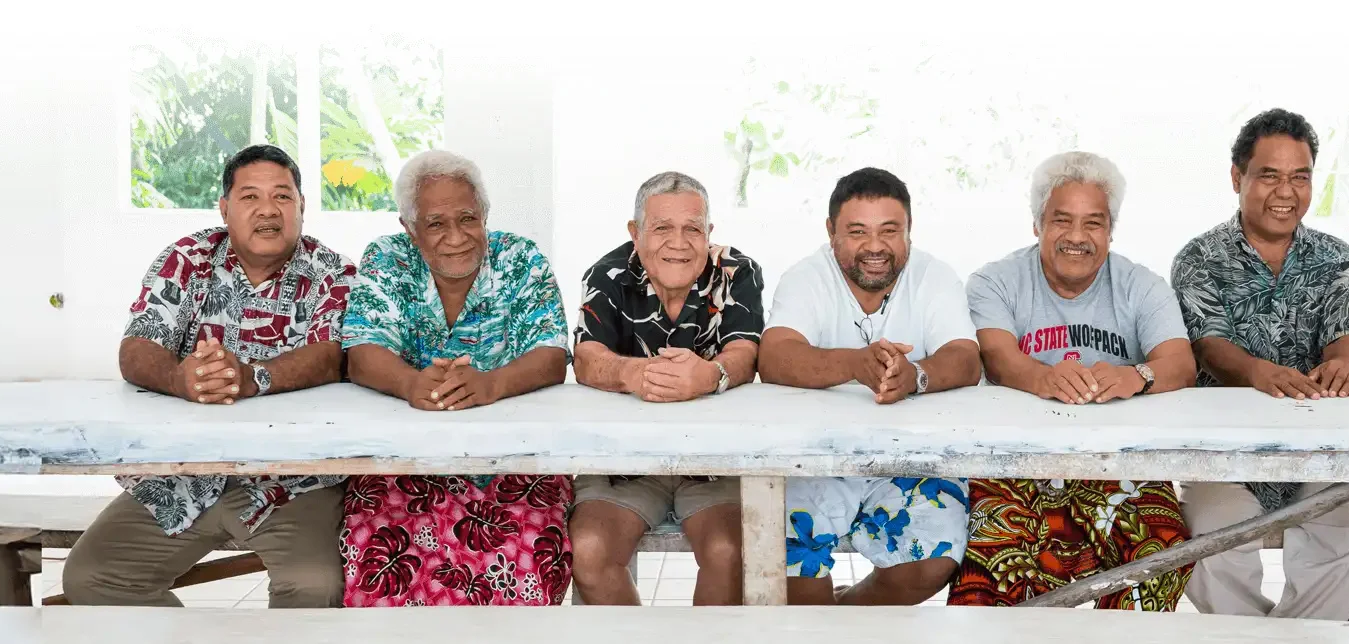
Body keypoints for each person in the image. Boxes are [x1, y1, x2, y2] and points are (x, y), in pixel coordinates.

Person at [64, 144, 356, 608]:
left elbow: (330, 356)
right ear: (224, 208)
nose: (267, 210)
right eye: (249, 197)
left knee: (314, 587)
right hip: (185, 471)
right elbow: (137, 348)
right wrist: (180, 378)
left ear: (302, 207)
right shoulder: (187, 259)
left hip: (290, 480)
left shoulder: (332, 273)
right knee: (93, 577)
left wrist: (252, 377)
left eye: (282, 196)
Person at [1172, 108, 1349, 620]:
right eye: (1269, 175)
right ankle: (1267, 634)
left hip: (1323, 453)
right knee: (1202, 544)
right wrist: (1257, 373)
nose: (1285, 192)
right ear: (1237, 177)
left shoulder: (1340, 260)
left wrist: (1342, 364)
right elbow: (1209, 346)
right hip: (1225, 458)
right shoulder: (1199, 258)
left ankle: (1287, 636)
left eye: (1300, 177)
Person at [951, 151, 1194, 608]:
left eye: (1094, 223)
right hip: (1014, 463)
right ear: (1037, 224)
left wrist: (1135, 376)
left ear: (1111, 230)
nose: (1077, 237)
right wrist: (1044, 378)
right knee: (994, 564)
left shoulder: (1142, 285)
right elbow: (998, 358)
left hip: (1121, 464)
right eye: (1062, 220)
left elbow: (1180, 363)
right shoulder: (994, 281)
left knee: (1163, 553)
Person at [338, 150, 574, 607]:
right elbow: (362, 354)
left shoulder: (519, 259)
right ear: (409, 228)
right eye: (435, 224)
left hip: (515, 463)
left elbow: (551, 354)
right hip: (401, 464)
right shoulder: (386, 259)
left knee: (523, 555)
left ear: (485, 215)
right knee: (378, 555)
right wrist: (410, 384)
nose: (456, 237)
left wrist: (491, 384)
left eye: (468, 218)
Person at [757, 167, 982, 605]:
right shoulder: (807, 276)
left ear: (909, 232)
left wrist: (915, 376)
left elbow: (966, 357)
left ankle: (845, 615)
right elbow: (774, 356)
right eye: (857, 231)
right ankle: (814, 630)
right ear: (831, 232)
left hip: (913, 461)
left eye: (889, 231)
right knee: (791, 547)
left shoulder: (934, 276)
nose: (874, 246)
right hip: (813, 459)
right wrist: (855, 364)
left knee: (935, 558)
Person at [568, 171, 762, 606]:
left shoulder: (737, 271)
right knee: (590, 550)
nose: (679, 242)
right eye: (661, 228)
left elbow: (745, 352)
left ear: (709, 233)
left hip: (718, 459)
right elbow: (585, 358)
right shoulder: (607, 273)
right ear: (635, 233)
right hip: (626, 458)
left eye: (692, 228)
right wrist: (634, 374)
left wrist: (709, 376)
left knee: (730, 551)